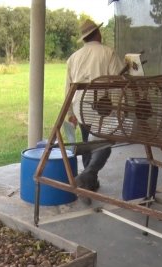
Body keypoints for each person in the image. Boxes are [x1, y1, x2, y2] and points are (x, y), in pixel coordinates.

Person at [65, 19, 124, 196]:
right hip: (102, 107)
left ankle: (89, 182)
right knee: (103, 143)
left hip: (80, 107)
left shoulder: (73, 58)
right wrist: (119, 108)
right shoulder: (108, 52)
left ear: (84, 38)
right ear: (98, 33)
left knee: (87, 143)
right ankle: (87, 175)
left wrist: (70, 112)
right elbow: (120, 82)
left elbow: (68, 88)